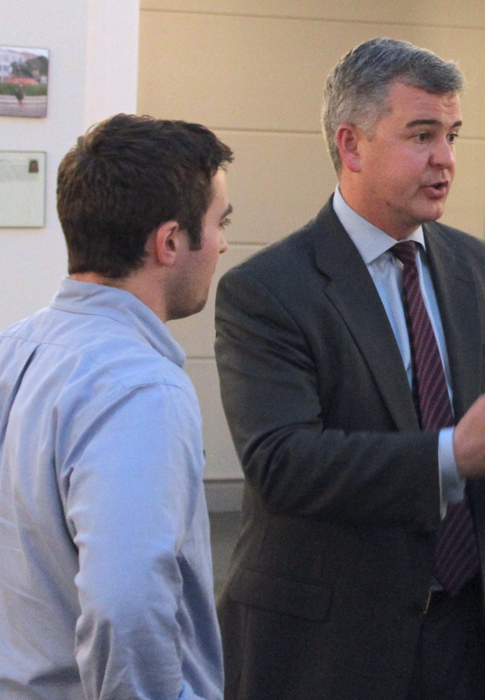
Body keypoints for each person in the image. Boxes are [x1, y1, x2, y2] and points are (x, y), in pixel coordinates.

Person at [214, 38, 485, 700]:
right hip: (327, 649)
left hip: (465, 636)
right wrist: (450, 455)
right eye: (422, 135)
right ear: (351, 145)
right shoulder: (267, 291)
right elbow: (283, 461)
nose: (446, 159)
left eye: (452, 135)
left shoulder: (481, 267)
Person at [0, 114, 232, 699]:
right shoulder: (140, 389)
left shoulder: (13, 351)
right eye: (219, 223)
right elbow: (125, 605)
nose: (225, 243)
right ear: (171, 242)